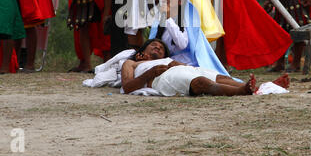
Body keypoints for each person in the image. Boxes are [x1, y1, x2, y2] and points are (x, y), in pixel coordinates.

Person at [121, 39, 290, 97]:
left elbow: (184, 67)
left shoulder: (168, 59)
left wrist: (179, 64)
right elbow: (127, 88)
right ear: (141, 54)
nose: (158, 48)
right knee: (200, 82)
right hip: (161, 78)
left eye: (161, 48)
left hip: (182, 69)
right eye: (154, 46)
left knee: (222, 78)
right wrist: (148, 73)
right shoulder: (132, 64)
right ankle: (242, 91)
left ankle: (262, 88)